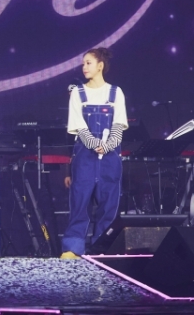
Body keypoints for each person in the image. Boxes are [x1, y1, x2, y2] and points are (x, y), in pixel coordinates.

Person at [61, 47, 127, 258]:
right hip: (85, 157)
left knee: (108, 205)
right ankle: (73, 247)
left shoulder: (115, 93)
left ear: (100, 66)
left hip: (110, 158)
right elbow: (78, 126)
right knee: (80, 203)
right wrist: (93, 143)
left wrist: (107, 145)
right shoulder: (78, 93)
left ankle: (103, 250)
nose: (84, 67)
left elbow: (119, 125)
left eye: (88, 63)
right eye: (83, 64)